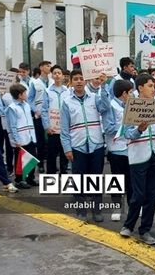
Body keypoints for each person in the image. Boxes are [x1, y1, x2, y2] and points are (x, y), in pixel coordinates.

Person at [119, 74, 155, 245]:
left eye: (154, 86)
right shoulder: (131, 107)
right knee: (138, 195)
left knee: (152, 194)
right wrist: (139, 130)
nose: (154, 89)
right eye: (150, 85)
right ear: (140, 88)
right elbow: (126, 134)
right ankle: (129, 225)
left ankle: (145, 230)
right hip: (138, 156)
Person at [60, 70, 109, 222]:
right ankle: (81, 209)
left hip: (96, 144)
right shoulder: (67, 102)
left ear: (86, 81)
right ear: (71, 82)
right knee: (79, 178)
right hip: (77, 146)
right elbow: (64, 128)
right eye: (76, 79)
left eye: (82, 79)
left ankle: (97, 210)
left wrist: (104, 86)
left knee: (95, 178)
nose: (79, 81)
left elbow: (105, 108)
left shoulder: (95, 98)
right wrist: (67, 148)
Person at [103, 79, 134, 222]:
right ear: (124, 94)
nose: (133, 95)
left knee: (131, 181)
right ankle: (116, 207)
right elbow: (108, 128)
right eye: (131, 92)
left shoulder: (131, 105)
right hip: (116, 150)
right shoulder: (111, 106)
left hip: (130, 149)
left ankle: (132, 207)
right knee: (116, 180)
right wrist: (124, 126)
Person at [41, 65, 69, 175]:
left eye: (59, 73)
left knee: (64, 152)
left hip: (64, 128)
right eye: (55, 73)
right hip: (52, 129)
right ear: (52, 76)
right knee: (51, 153)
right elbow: (44, 110)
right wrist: (47, 126)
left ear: (62, 76)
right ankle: (51, 175)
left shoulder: (67, 91)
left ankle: (64, 172)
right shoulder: (47, 91)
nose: (57, 75)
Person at [28, 60, 51, 173]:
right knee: (40, 142)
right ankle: (40, 163)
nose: (49, 67)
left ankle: (51, 164)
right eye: (47, 66)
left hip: (52, 116)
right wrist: (35, 110)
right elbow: (30, 99)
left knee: (51, 141)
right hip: (39, 116)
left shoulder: (52, 82)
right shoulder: (35, 83)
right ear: (41, 68)